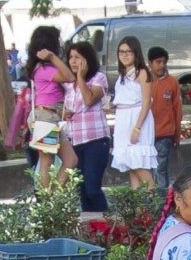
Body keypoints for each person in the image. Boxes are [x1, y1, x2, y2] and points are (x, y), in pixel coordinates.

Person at [59, 39, 112, 215]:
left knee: (92, 188)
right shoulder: (68, 84)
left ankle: (108, 223)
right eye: (71, 57)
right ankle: (91, 228)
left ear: (87, 59)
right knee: (81, 190)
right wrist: (64, 113)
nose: (73, 61)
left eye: (78, 57)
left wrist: (81, 77)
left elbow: (89, 99)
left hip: (95, 141)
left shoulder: (98, 78)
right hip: (75, 141)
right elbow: (68, 108)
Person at [109, 35, 159, 192]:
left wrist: (137, 128)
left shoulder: (141, 72)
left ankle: (154, 201)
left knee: (136, 163)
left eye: (128, 52)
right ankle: (138, 207)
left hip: (137, 119)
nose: (124, 55)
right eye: (121, 52)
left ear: (136, 53)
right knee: (130, 165)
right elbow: (123, 98)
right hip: (123, 119)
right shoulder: (122, 74)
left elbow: (146, 102)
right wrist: (109, 105)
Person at [24, 28, 65, 179]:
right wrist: (54, 57)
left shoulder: (44, 68)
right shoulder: (45, 69)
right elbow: (69, 77)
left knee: (70, 160)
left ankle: (55, 196)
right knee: (47, 161)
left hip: (49, 117)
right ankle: (47, 199)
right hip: (46, 116)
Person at [146, 46, 185, 181]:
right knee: (147, 171)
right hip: (146, 133)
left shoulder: (172, 82)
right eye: (158, 62)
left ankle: (163, 201)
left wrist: (176, 135)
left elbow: (177, 110)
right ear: (150, 63)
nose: (161, 65)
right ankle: (149, 200)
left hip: (165, 133)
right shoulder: (143, 81)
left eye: (164, 62)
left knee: (160, 169)